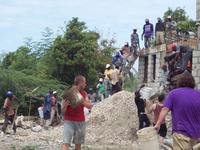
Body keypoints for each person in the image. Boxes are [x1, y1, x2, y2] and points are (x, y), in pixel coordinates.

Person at [154, 71, 200, 149]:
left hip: (180, 134)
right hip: (197, 136)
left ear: (180, 81)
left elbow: (165, 109)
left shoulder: (174, 94)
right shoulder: (198, 94)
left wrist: (158, 123)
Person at [62, 75, 93, 150]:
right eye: (84, 82)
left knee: (78, 145)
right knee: (66, 143)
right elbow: (62, 110)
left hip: (80, 121)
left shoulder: (84, 93)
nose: (85, 84)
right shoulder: (68, 92)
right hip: (69, 121)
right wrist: (65, 105)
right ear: (80, 83)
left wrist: (81, 101)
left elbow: (90, 106)